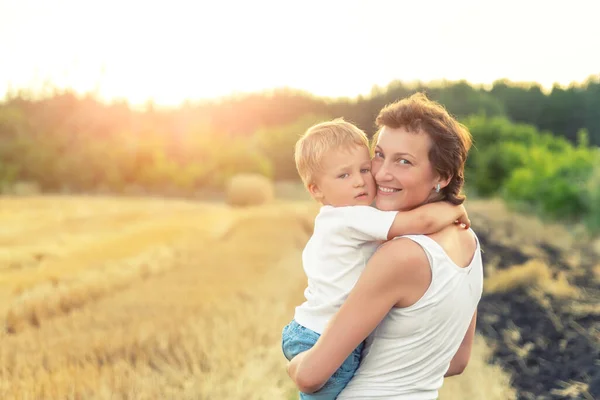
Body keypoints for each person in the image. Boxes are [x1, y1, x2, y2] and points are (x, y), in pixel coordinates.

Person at [287, 93, 484, 400]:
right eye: (378, 155)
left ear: (442, 177)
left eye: (403, 161)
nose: (379, 173)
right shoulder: (469, 243)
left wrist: (296, 367)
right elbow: (457, 360)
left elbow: (310, 377)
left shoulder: (402, 256)